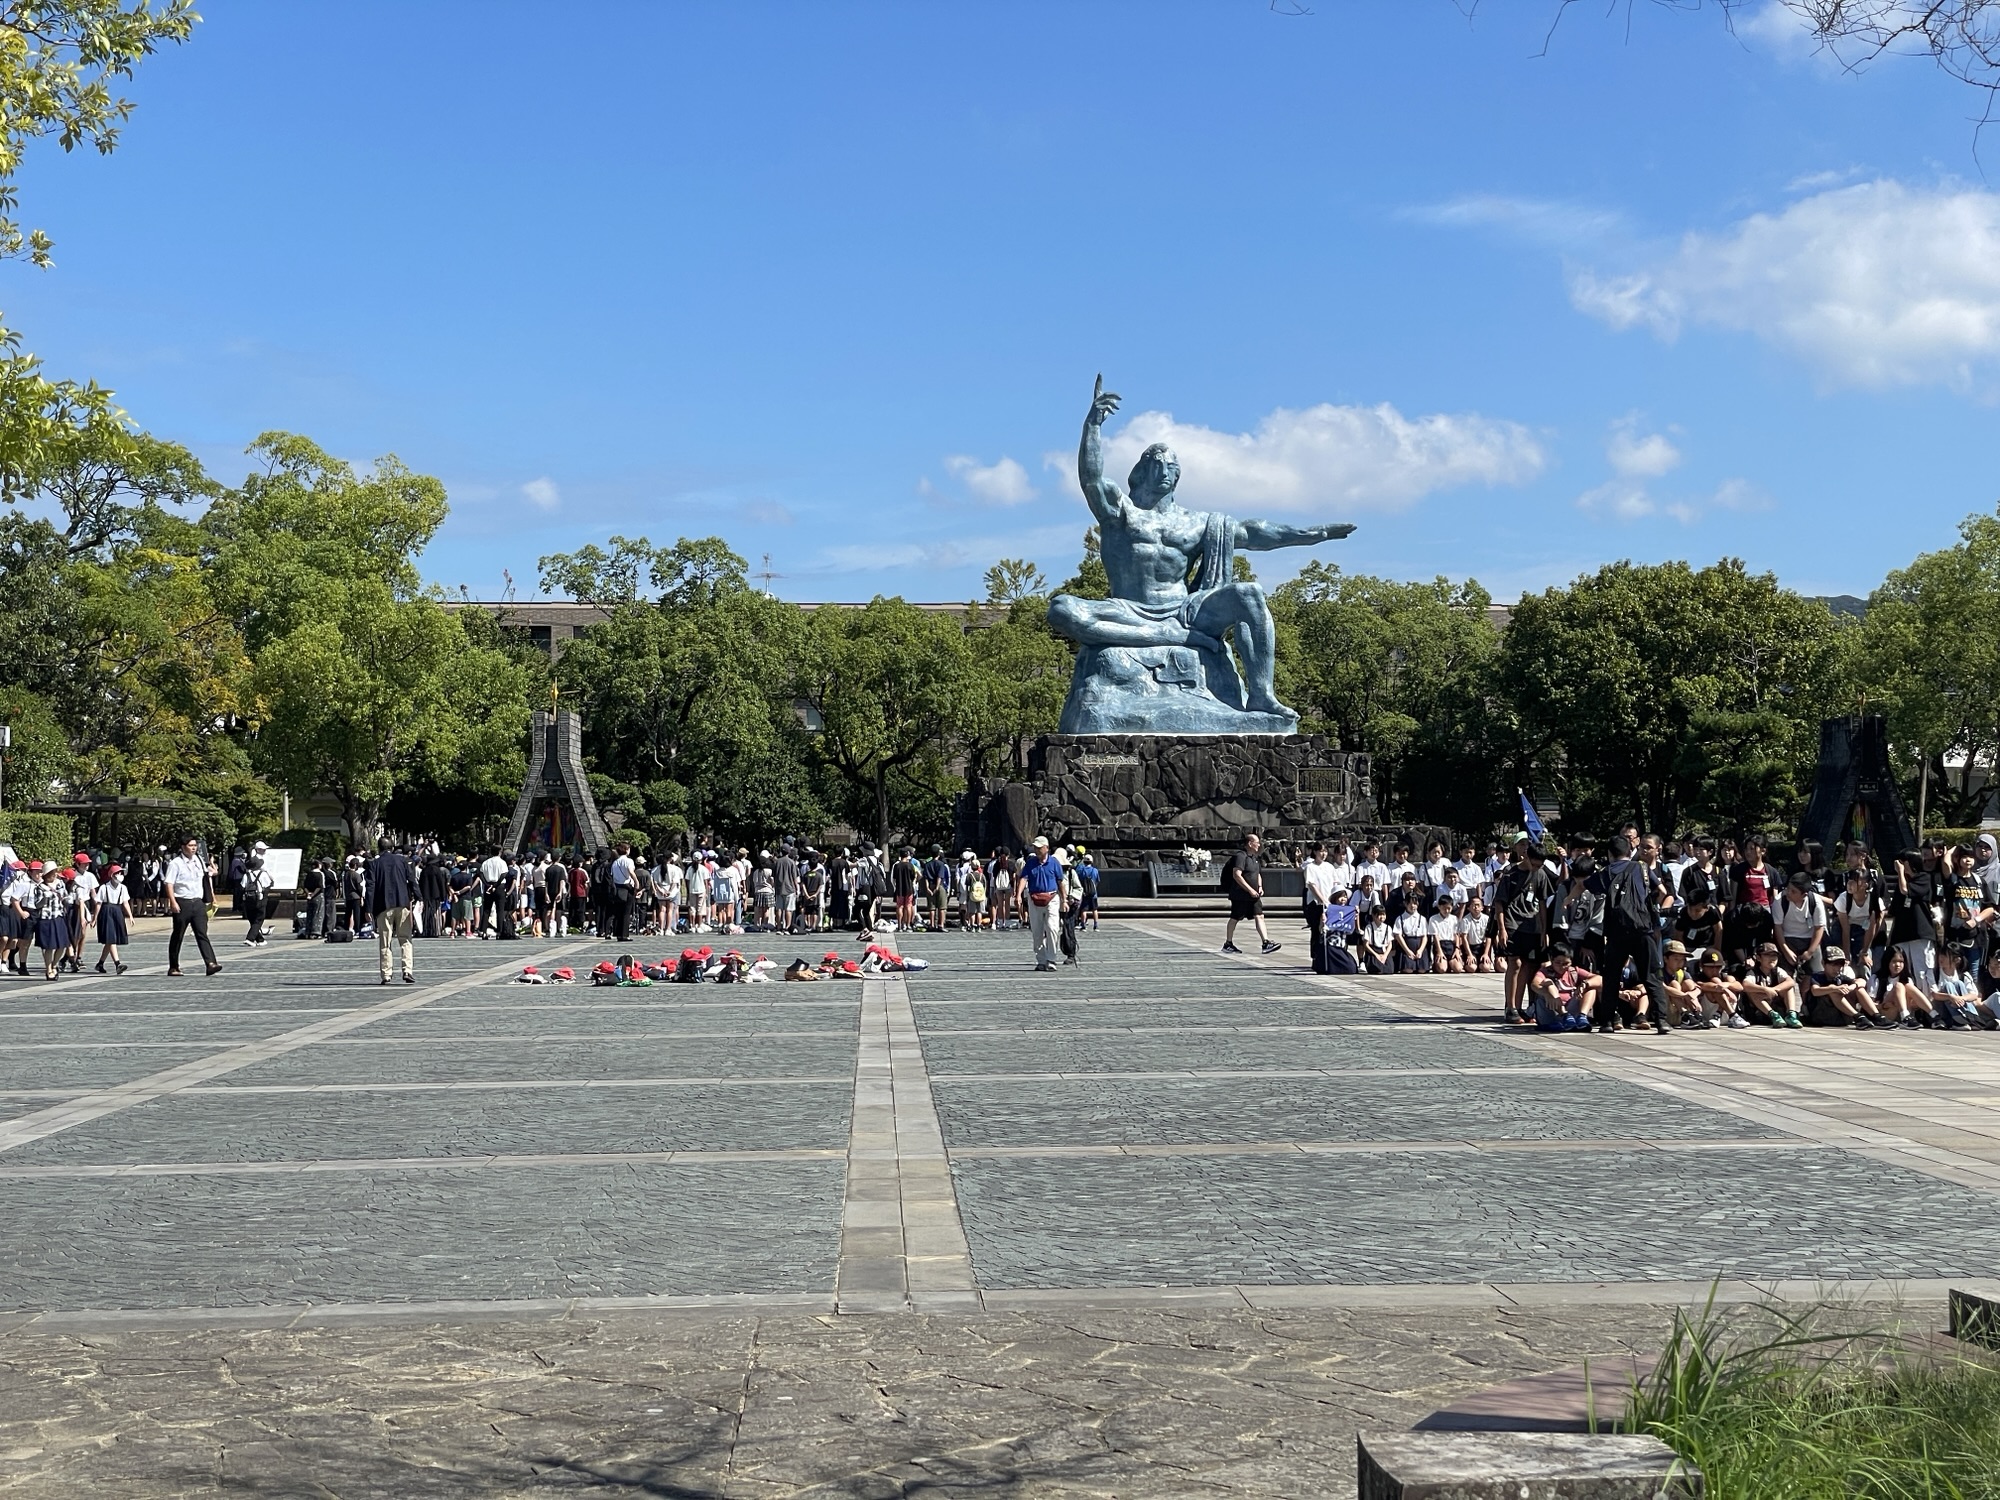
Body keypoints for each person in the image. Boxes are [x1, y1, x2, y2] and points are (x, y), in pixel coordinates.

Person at [1494, 839, 1556, 1025]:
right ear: (1526, 857)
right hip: (1513, 923)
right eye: (1534, 864)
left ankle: (1525, 1007)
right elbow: (1499, 903)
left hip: (1532, 925)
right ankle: (1510, 1006)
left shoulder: (1541, 874)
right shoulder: (1510, 874)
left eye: (1540, 865)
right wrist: (1502, 929)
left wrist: (1544, 930)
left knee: (1530, 966)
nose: (1536, 868)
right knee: (1515, 963)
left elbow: (1543, 904)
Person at [164, 835, 221, 977]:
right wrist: (173, 902)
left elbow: (209, 875)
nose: (194, 848)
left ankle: (211, 963)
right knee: (178, 935)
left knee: (202, 933)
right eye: (190, 845)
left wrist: (211, 897)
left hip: (198, 902)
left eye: (195, 845)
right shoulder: (175, 863)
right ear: (183, 847)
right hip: (182, 901)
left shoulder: (199, 860)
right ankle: (173, 966)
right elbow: (169, 883)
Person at [366, 838, 418, 985]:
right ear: (392, 847)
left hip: (383, 905)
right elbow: (412, 880)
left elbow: (370, 887)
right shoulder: (402, 861)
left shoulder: (374, 863)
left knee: (385, 941)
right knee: (405, 939)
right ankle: (407, 970)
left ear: (379, 848)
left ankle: (386, 974)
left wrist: (368, 908)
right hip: (402, 903)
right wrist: (418, 897)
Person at [1220, 832, 1280, 956]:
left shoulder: (1254, 858)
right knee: (1235, 918)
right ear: (1250, 843)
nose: (1259, 845)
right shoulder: (1241, 856)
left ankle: (1265, 942)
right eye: (1257, 843)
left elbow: (1257, 874)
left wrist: (1260, 887)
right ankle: (1228, 943)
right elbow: (1237, 875)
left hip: (1254, 895)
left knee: (1259, 916)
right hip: (1240, 895)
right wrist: (1249, 890)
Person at [1806, 945, 1892, 1029]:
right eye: (1834, 964)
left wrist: (1851, 987)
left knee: (1859, 989)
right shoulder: (1818, 977)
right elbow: (1815, 991)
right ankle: (1858, 1016)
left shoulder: (1840, 978)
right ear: (1823, 963)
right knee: (1833, 991)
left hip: (1842, 1017)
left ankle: (1877, 1017)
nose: (1837, 968)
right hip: (1822, 1016)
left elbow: (1862, 981)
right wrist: (1834, 988)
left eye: (1841, 964)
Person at [1017, 836, 1063, 971]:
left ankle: (1051, 959)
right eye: (1035, 847)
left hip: (1052, 898)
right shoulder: (1030, 863)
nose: (1036, 850)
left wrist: (1064, 899)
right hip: (1034, 899)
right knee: (1037, 931)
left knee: (1052, 928)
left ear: (1046, 848)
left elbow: (1060, 881)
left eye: (1039, 847)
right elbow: (1024, 878)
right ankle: (1041, 960)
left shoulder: (1054, 862)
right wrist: (1018, 895)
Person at [1773, 869, 1828, 973]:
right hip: (1786, 939)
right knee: (1783, 973)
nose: (1788, 893)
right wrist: (1786, 951)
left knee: (1817, 973)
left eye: (1793, 891)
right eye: (1788, 888)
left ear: (1804, 895)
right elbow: (1778, 927)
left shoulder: (1815, 902)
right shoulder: (1780, 900)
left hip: (1810, 940)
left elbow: (1819, 927)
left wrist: (1810, 952)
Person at [1735, 941, 1801, 1028]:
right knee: (1752, 992)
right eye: (1767, 955)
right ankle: (1773, 1015)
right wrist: (1765, 990)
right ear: (1758, 958)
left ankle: (1791, 1015)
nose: (1772, 958)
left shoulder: (1778, 971)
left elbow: (1790, 981)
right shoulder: (1753, 972)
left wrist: (1774, 990)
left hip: (1777, 1006)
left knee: (1789, 988)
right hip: (1759, 1012)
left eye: (1774, 955)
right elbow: (1746, 985)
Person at [1875, 945, 1935, 1028]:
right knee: (1899, 985)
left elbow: (1911, 1002)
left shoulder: (1907, 979)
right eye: (1894, 961)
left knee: (1907, 986)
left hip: (1906, 1012)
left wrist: (1916, 1003)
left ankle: (1934, 1015)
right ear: (1887, 961)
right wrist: (1883, 1005)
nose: (1897, 965)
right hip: (1888, 1013)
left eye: (1901, 962)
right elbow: (1869, 1004)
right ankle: (1905, 1018)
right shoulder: (1877, 978)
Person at [1690, 947, 1748, 1028]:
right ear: (1702, 966)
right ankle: (1732, 1015)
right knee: (1715, 982)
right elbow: (1708, 986)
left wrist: (1727, 985)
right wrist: (1726, 990)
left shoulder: (1724, 977)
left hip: (1724, 1015)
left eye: (1718, 967)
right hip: (1708, 1013)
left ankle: (1719, 1014)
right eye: (1710, 967)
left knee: (1730, 980)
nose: (1714, 970)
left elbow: (1740, 987)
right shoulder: (1698, 978)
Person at [91, 862, 132, 973]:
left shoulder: (123, 888)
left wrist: (130, 915)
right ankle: (117, 964)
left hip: (117, 912)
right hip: (106, 912)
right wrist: (94, 918)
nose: (120, 875)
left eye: (121, 873)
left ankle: (100, 963)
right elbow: (98, 903)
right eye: (117, 873)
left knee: (110, 940)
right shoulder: (104, 887)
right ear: (112, 875)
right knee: (110, 938)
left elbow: (125, 902)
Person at [1302, 841, 1336, 973]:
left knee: (1329, 930)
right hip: (1316, 904)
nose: (1323, 854)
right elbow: (1311, 885)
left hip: (1330, 903)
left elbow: (1335, 883)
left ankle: (1327, 956)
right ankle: (1315, 957)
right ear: (1315, 852)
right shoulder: (1310, 867)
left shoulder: (1329, 867)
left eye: (1325, 851)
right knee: (1317, 930)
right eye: (1321, 851)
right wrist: (1322, 899)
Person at [239, 842, 274, 947]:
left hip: (248, 898)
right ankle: (250, 938)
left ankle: (260, 939)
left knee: (252, 918)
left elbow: (242, 886)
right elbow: (268, 884)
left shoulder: (247, 875)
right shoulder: (262, 874)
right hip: (259, 897)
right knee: (259, 918)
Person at [1460, 895, 1495, 973]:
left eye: (1478, 905)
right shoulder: (1465, 920)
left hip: (1482, 947)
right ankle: (1469, 963)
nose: (1476, 907)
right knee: (1471, 968)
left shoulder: (1486, 919)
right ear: (1469, 908)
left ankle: (1481, 964)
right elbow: (1464, 938)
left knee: (1486, 968)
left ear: (1482, 908)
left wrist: (1486, 953)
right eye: (1473, 905)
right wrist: (1469, 954)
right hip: (1471, 947)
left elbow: (1488, 937)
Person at [1358, 905, 1394, 974]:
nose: (1382, 917)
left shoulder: (1388, 928)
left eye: (1383, 914)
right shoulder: (1369, 927)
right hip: (1373, 951)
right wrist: (1376, 955)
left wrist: (1385, 955)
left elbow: (1390, 944)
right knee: (1376, 969)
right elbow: (1366, 944)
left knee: (1389, 970)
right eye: (1379, 915)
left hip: (1383, 950)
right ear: (1374, 915)